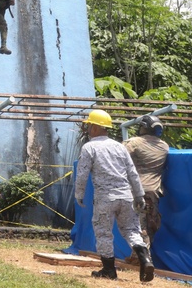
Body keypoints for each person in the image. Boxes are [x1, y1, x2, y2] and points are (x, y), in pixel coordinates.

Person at [74, 110, 154, 282]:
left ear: (95, 127)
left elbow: (82, 174)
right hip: (126, 196)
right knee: (131, 230)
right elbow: (132, 172)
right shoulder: (119, 146)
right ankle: (145, 259)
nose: (87, 128)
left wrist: (79, 194)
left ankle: (109, 270)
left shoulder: (89, 147)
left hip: (105, 198)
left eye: (89, 125)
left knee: (103, 232)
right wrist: (139, 195)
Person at [123, 115, 169, 251]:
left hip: (135, 190)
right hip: (153, 191)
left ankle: (144, 258)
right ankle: (137, 256)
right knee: (150, 224)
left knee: (138, 226)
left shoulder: (133, 143)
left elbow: (118, 156)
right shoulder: (164, 146)